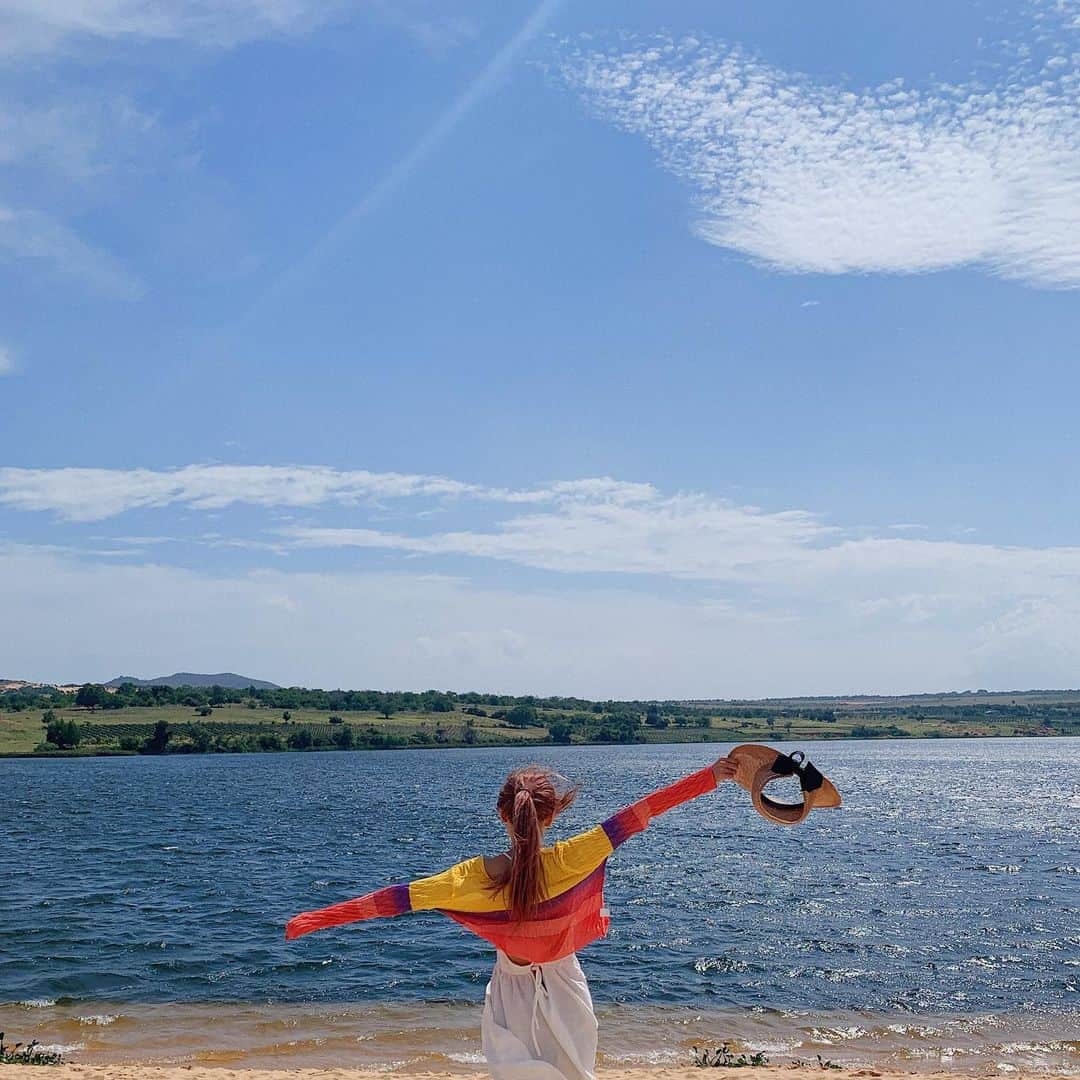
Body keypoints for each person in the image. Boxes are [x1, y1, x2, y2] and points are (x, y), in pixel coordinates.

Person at [286, 754, 739, 1080]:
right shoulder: (575, 856)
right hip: (564, 982)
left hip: (512, 989)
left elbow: (394, 899)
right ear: (553, 813)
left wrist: (313, 919)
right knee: (575, 1071)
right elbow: (641, 812)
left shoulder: (472, 879)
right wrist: (710, 777)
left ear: (502, 814)